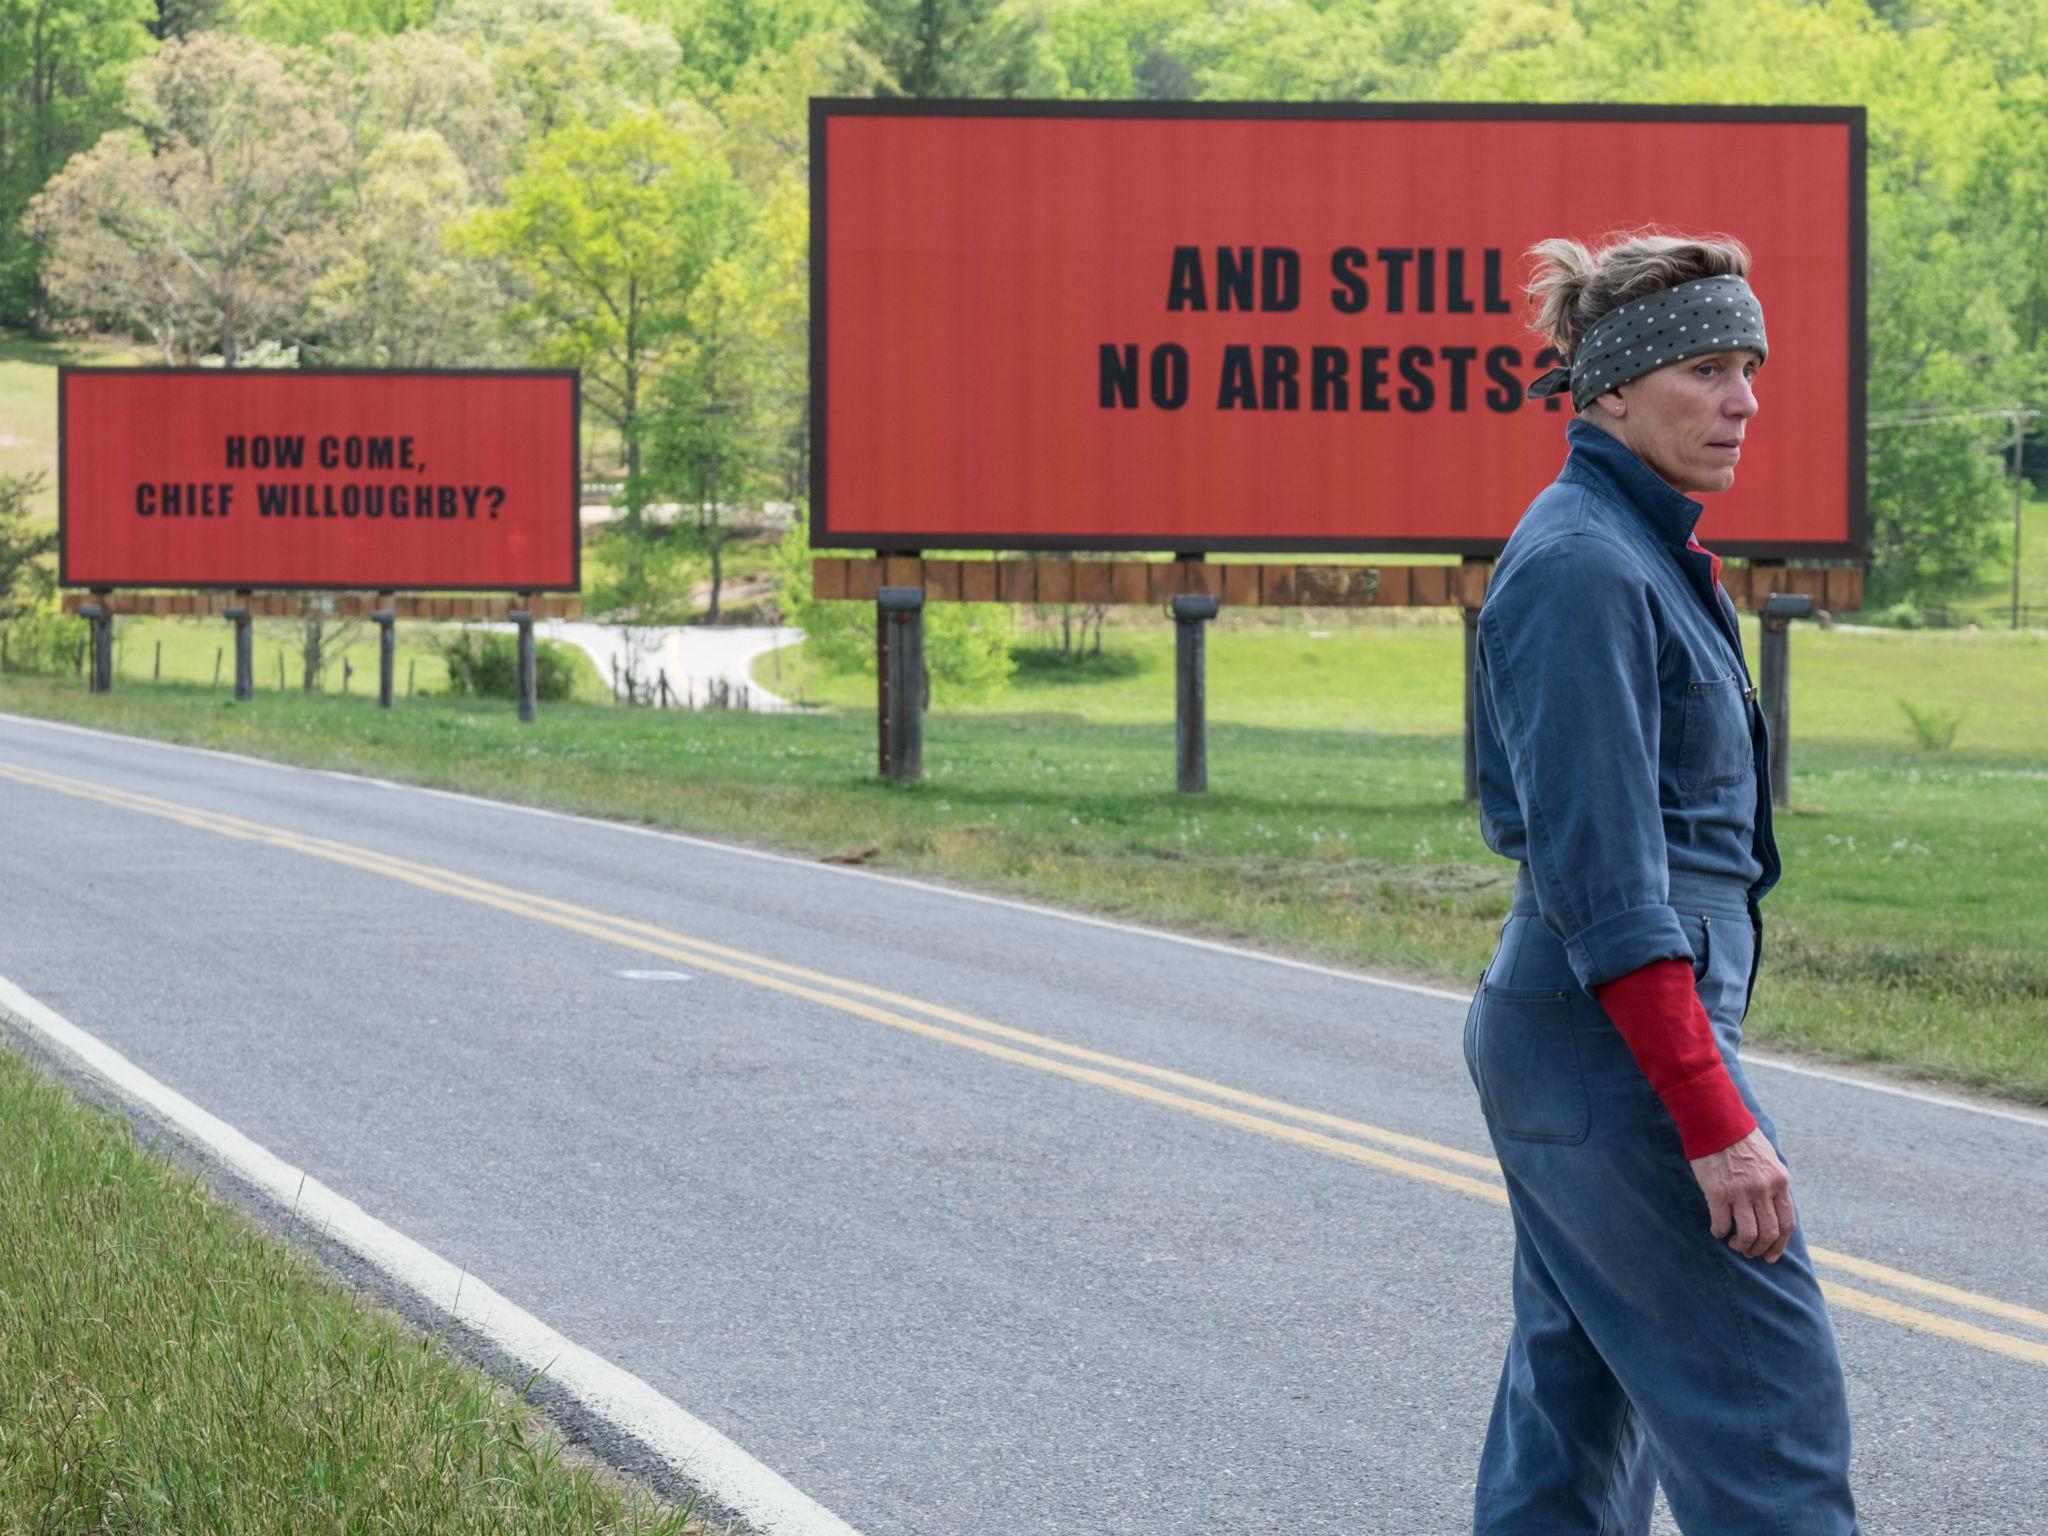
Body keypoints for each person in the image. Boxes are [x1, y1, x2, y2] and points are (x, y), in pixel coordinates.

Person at [1463, 231, 1861, 1534]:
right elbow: (1608, 884)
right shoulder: (1585, 567)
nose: (1743, 399)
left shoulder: (1627, 549)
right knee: (1767, 1427)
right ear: (1613, 390)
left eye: (1748, 366)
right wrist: (1710, 1113)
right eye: (1707, 367)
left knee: (1573, 1426)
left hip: (1590, 1038)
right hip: (1613, 1040)